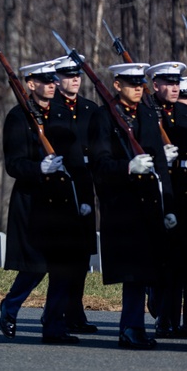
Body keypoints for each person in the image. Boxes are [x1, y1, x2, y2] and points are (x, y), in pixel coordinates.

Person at [0, 61, 89, 344]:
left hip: (63, 203)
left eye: (53, 80)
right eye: (44, 80)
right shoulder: (18, 117)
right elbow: (13, 165)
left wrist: (84, 198)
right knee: (35, 267)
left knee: (63, 267)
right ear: (30, 84)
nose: (52, 84)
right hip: (33, 202)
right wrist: (40, 168)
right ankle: (10, 305)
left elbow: (78, 161)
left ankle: (54, 326)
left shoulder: (62, 114)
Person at [87, 63, 177, 349]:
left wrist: (170, 205)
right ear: (117, 85)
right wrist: (128, 166)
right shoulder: (103, 118)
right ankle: (130, 329)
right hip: (123, 206)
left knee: (154, 268)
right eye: (131, 82)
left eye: (140, 83)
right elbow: (99, 166)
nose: (138, 87)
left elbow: (161, 165)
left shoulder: (148, 114)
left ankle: (141, 324)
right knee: (134, 273)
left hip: (151, 204)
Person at [48, 54, 100, 334]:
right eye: (69, 76)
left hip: (84, 183)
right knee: (64, 257)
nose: (75, 80)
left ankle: (75, 311)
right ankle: (58, 311)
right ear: (56, 80)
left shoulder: (90, 109)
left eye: (78, 75)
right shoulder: (50, 109)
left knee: (82, 255)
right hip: (61, 185)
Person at [144, 62, 187, 338]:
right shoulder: (148, 114)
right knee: (167, 264)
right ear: (155, 85)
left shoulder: (185, 112)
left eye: (177, 82)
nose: (174, 87)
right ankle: (164, 318)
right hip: (162, 195)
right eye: (168, 83)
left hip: (184, 194)